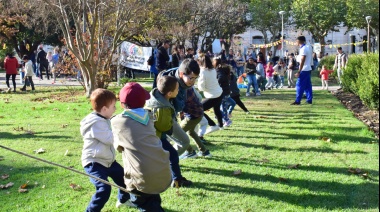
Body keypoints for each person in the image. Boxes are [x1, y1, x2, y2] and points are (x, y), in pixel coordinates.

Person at [111, 83, 172, 211]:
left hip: (140, 178)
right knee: (153, 198)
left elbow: (118, 147)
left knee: (143, 204)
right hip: (161, 168)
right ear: (144, 103)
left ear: (122, 104)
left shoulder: (118, 122)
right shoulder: (149, 117)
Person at [80, 88, 131, 212]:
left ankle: (123, 200)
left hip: (108, 161)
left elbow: (111, 123)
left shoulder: (103, 118)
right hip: (94, 163)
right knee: (104, 188)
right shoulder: (96, 123)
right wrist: (123, 133)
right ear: (104, 109)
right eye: (113, 106)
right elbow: (110, 139)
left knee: (125, 180)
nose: (115, 109)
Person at [145, 76, 193, 187]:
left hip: (155, 136)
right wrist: (171, 124)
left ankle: (176, 178)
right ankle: (177, 180)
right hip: (158, 137)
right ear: (169, 93)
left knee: (171, 156)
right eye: (177, 89)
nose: (178, 90)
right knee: (173, 155)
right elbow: (163, 127)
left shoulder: (157, 97)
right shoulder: (162, 107)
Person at [159, 59, 200, 155]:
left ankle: (166, 161)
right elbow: (177, 106)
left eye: (195, 78)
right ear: (181, 74)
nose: (193, 82)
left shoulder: (182, 80)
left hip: (171, 115)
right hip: (163, 116)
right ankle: (165, 161)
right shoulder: (170, 83)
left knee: (168, 141)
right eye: (191, 78)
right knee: (183, 141)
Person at [179, 86, 212, 159]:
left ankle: (190, 152)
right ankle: (204, 151)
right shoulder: (188, 86)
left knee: (178, 134)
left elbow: (178, 105)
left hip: (193, 115)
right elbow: (199, 97)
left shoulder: (181, 88)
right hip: (198, 113)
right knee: (191, 132)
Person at [197, 54, 224, 134]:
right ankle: (220, 125)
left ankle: (212, 124)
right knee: (217, 109)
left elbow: (201, 87)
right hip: (219, 92)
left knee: (198, 109)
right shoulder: (213, 70)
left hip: (213, 96)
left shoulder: (203, 72)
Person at [291, 36, 313, 105]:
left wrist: (299, 71)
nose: (296, 42)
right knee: (307, 86)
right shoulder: (307, 48)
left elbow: (303, 60)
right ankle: (309, 99)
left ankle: (298, 100)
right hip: (308, 68)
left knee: (299, 85)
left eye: (296, 41)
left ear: (300, 41)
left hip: (304, 69)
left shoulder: (303, 49)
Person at [214, 57, 233, 127]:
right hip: (226, 90)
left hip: (223, 91)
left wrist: (217, 83)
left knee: (222, 106)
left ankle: (226, 120)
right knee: (222, 106)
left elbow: (221, 78)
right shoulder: (223, 69)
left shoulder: (219, 70)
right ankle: (220, 117)